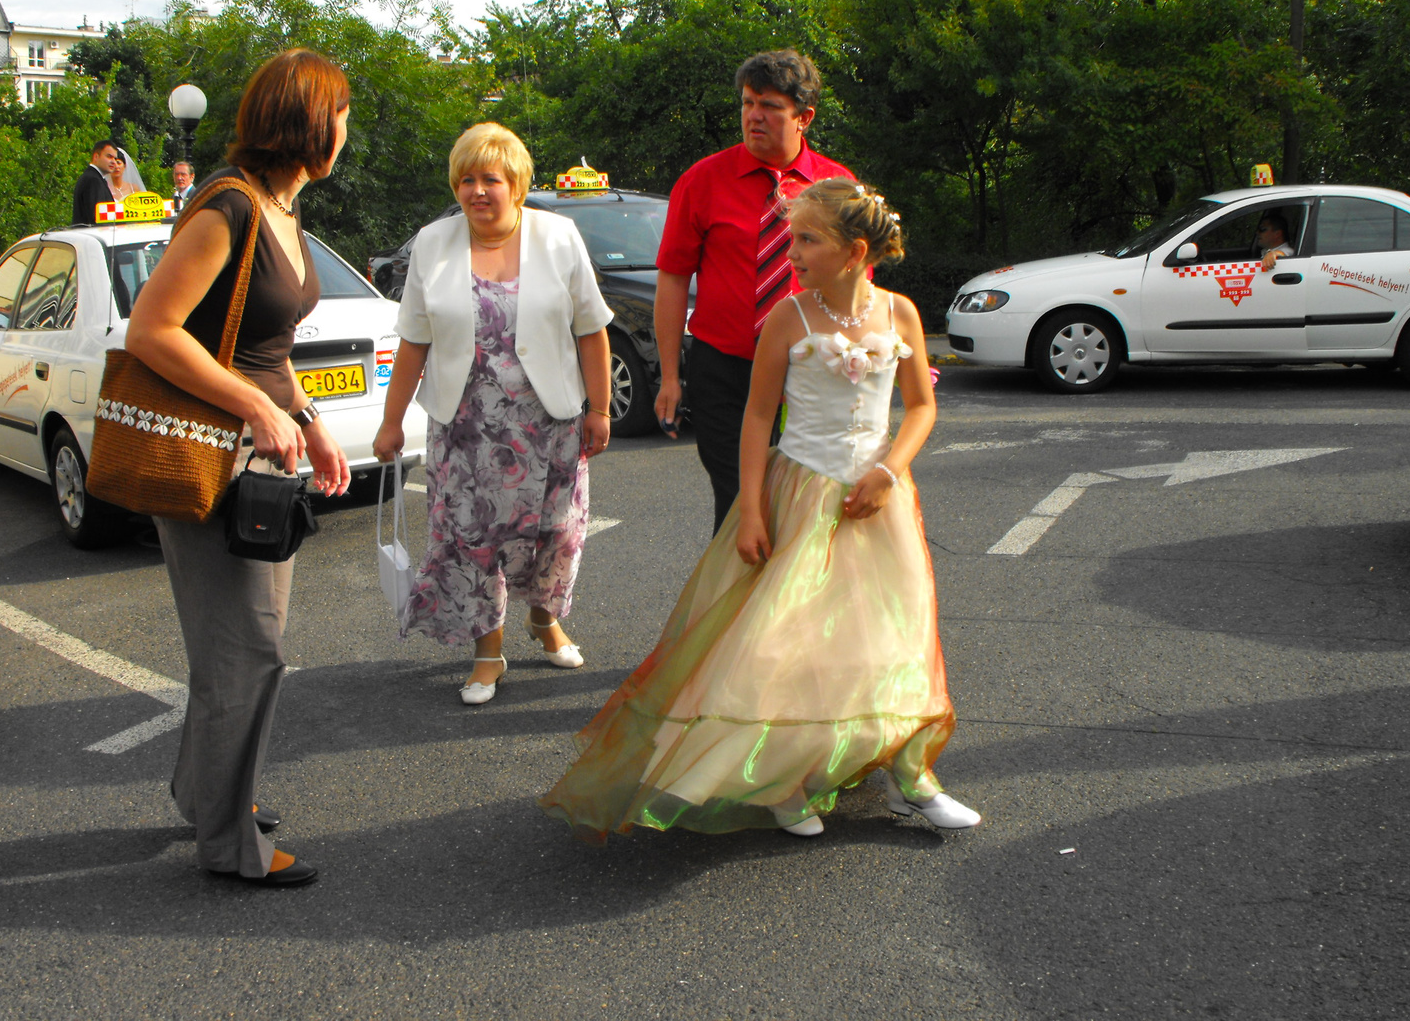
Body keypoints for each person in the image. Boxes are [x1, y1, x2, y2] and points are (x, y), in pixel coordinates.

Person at [541, 178, 980, 842]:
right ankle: (781, 779)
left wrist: (889, 471)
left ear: (855, 250)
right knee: (784, 642)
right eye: (792, 237)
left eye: (808, 239)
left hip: (878, 502)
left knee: (891, 641)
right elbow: (755, 416)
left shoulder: (902, 314)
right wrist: (751, 509)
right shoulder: (789, 318)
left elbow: (920, 405)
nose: (791, 251)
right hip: (799, 493)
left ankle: (912, 774)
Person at [124, 48, 353, 887]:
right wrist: (258, 409)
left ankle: (205, 793)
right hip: (210, 458)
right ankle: (228, 844)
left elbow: (266, 348)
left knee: (241, 646)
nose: (346, 129)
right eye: (339, 112)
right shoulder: (225, 206)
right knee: (246, 650)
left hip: (261, 455)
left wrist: (308, 419)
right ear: (305, 122)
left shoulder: (281, 211)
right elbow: (153, 329)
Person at [373, 123, 613, 706]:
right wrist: (391, 420)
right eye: (466, 179)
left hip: (549, 423)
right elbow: (412, 342)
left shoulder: (559, 237)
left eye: (490, 179)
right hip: (465, 429)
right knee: (472, 539)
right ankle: (487, 652)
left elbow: (592, 330)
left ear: (518, 184)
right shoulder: (433, 242)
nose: (477, 191)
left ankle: (544, 619)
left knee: (557, 534)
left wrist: (600, 409)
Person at [654, 49, 854, 534]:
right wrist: (668, 376)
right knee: (742, 503)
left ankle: (791, 605)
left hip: (811, 367)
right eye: (747, 103)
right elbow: (673, 277)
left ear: (804, 117)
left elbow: (856, 282)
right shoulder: (702, 182)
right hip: (725, 369)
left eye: (769, 105)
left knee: (806, 500)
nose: (753, 116)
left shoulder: (836, 185)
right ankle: (737, 604)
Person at [71, 140, 118, 226]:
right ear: (96, 157)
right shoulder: (93, 180)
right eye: (109, 157)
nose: (113, 162)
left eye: (115, 158)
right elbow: (97, 218)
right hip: (92, 236)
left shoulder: (94, 177)